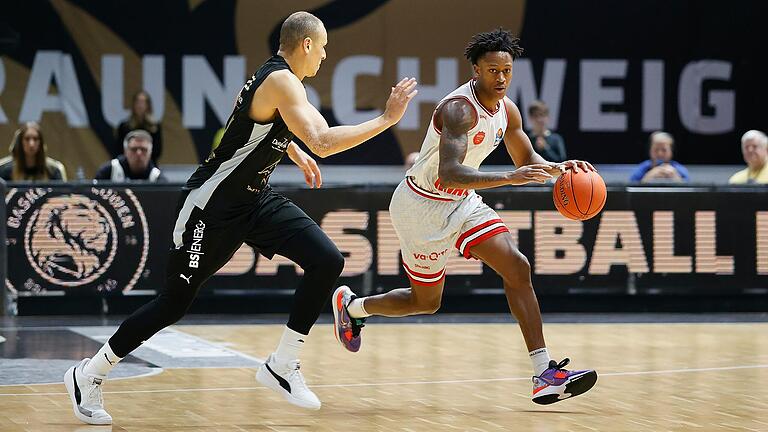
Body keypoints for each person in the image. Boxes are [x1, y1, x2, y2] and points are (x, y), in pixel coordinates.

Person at [64, 11, 416, 425]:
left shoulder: (282, 82)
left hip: (254, 201)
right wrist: (387, 119)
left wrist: (291, 150)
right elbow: (322, 140)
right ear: (305, 44)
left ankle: (282, 363)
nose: (324, 56)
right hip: (210, 206)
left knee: (327, 260)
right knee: (173, 304)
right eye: (322, 47)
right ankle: (89, 374)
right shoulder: (282, 80)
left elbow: (252, 130)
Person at [331, 29, 597, 406]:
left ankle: (544, 373)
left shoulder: (508, 110)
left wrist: (558, 168)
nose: (501, 78)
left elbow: (526, 161)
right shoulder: (459, 109)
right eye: (493, 70)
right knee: (426, 302)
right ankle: (354, 307)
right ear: (475, 69)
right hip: (421, 205)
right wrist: (509, 177)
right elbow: (450, 173)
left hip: (462, 202)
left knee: (517, 267)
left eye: (506, 70)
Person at [0, 122, 67, 181]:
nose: (31, 144)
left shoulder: (53, 170)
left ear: (40, 143)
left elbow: (62, 195)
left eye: (35, 139)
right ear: (20, 142)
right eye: (27, 139)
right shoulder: (3, 169)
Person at [95, 129, 166, 182]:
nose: (139, 153)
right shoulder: (109, 171)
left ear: (150, 153)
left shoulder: (157, 178)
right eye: (134, 149)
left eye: (143, 149)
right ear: (125, 151)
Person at [114, 90, 162, 163]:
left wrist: (143, 160)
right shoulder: (124, 126)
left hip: (149, 165)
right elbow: (119, 150)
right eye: (138, 102)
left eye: (143, 103)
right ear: (133, 105)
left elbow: (157, 151)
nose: (140, 106)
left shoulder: (154, 127)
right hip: (128, 165)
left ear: (148, 105)